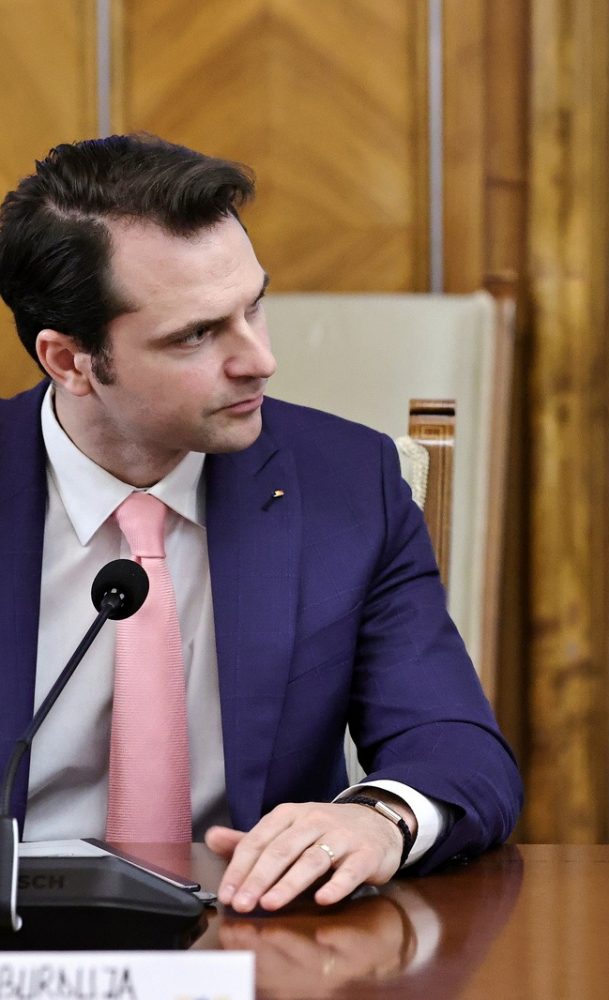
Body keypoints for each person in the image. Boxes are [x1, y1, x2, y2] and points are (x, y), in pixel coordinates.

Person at [0, 135, 522, 912]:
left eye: (253, 307)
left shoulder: (349, 484)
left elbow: (457, 748)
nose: (258, 360)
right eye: (196, 334)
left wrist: (379, 818)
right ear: (71, 361)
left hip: (262, 933)